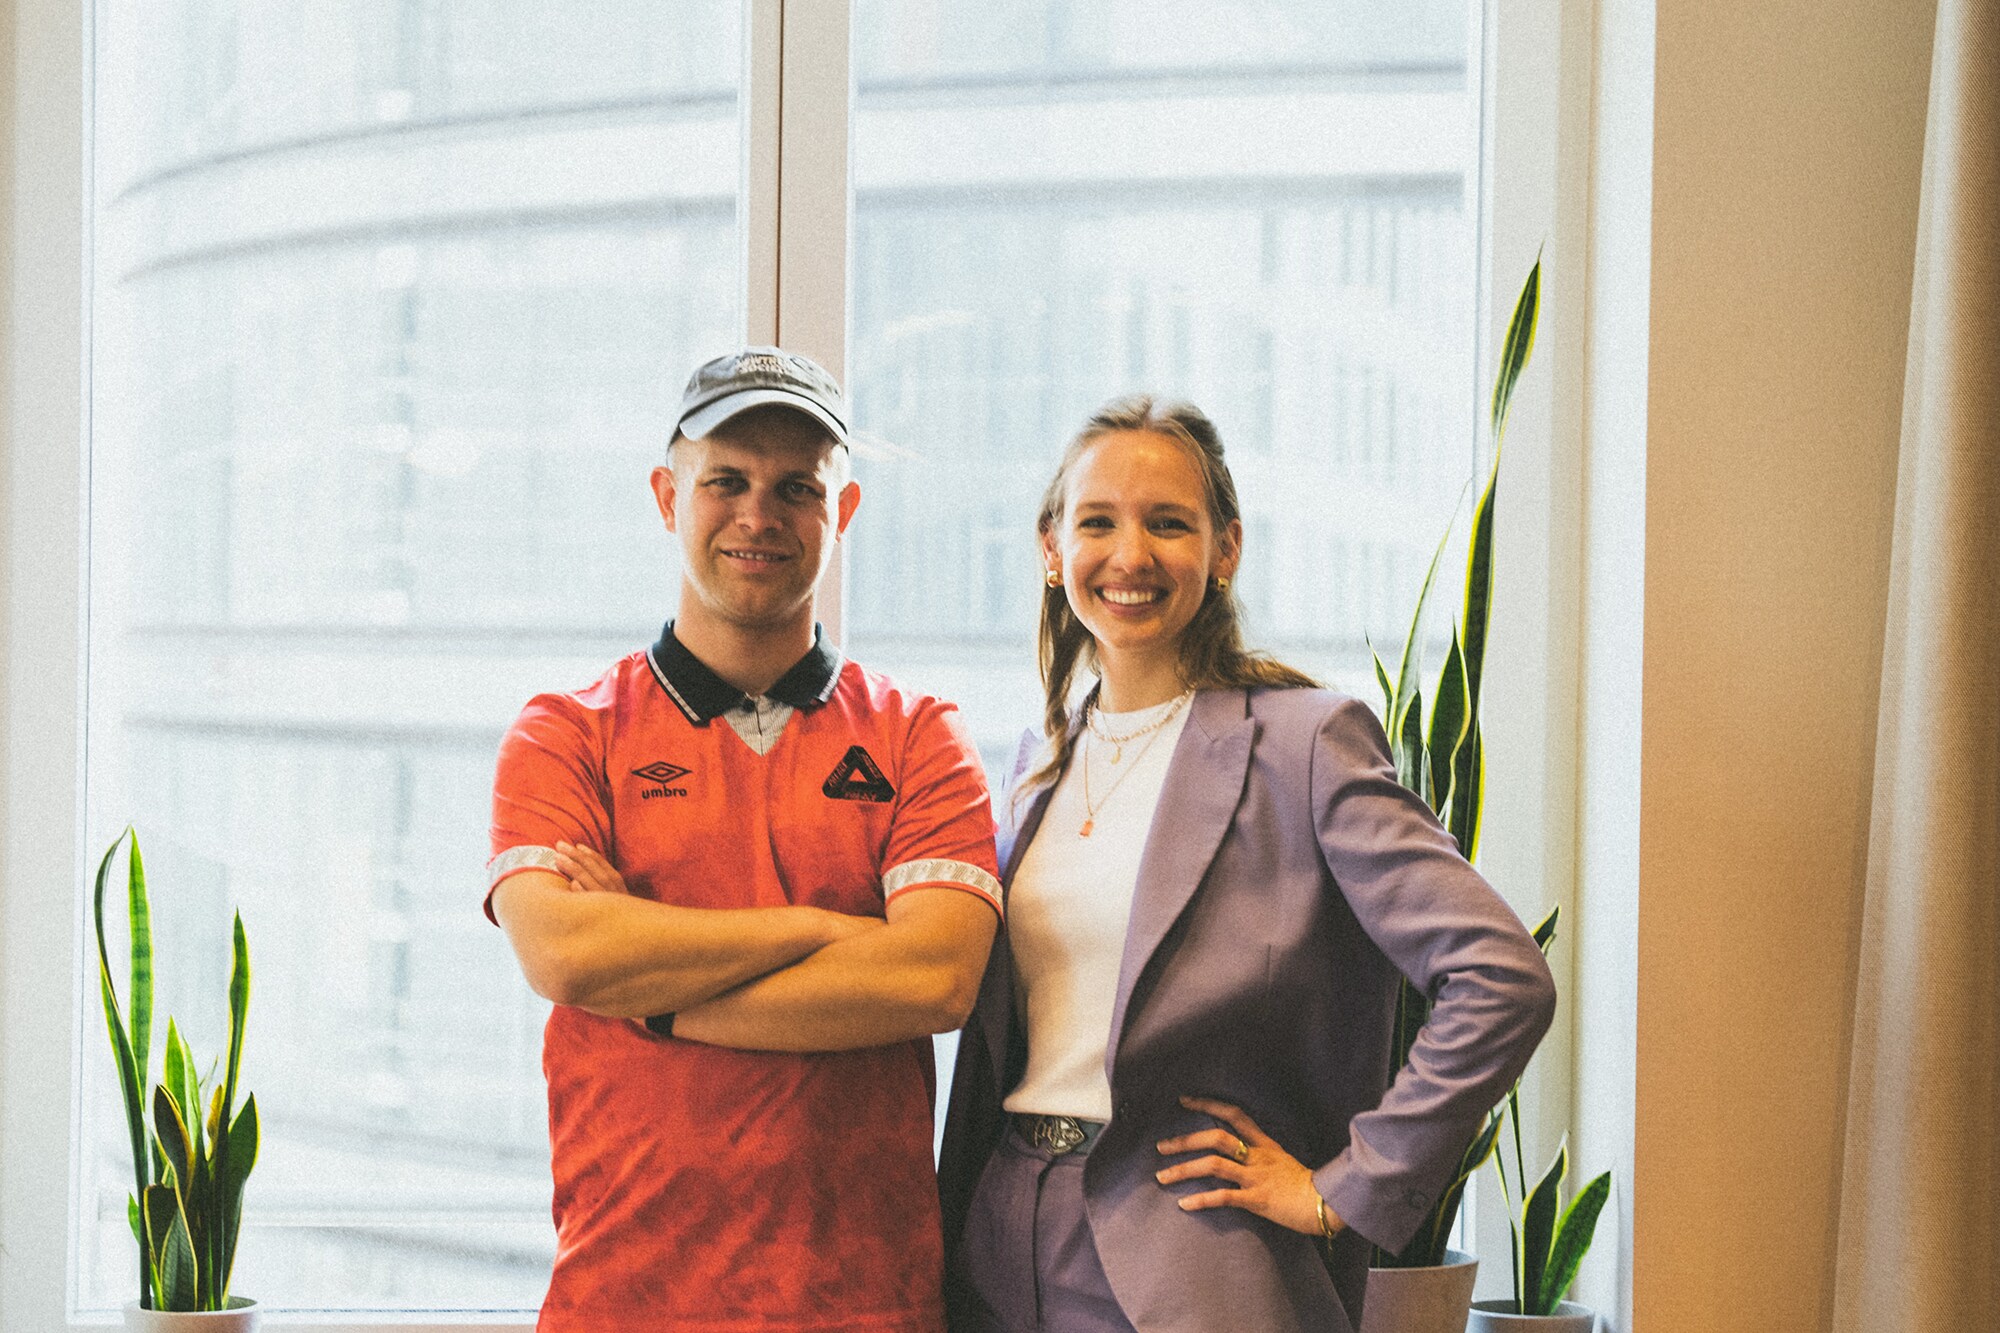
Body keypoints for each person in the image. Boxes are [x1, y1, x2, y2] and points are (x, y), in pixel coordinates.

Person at [936, 397, 1557, 1333]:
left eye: (1169, 523)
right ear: (1051, 547)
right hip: (1000, 1244)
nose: (1131, 554)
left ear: (1225, 549)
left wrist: (1341, 1187)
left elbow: (1502, 975)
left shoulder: (1306, 746)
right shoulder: (1033, 767)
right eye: (1097, 520)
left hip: (1191, 1254)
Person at [486, 346, 1004, 1333]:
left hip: (862, 1304)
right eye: (725, 480)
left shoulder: (917, 732)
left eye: (795, 488)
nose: (757, 515)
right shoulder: (566, 730)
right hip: (625, 1300)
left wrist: (658, 997)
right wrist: (829, 927)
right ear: (665, 495)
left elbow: (934, 979)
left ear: (839, 513)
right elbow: (566, 951)